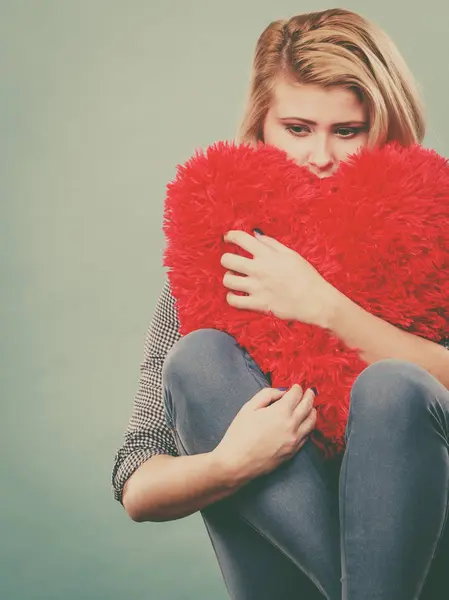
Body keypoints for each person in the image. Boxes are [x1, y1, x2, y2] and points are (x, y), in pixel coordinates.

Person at [112, 8, 449, 600]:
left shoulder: (433, 232)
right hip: (276, 566)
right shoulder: (221, 254)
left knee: (394, 387)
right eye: (297, 128)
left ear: (387, 127)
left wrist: (326, 306)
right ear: (261, 126)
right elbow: (136, 480)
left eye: (347, 130)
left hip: (430, 553)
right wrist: (230, 465)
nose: (320, 155)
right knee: (200, 357)